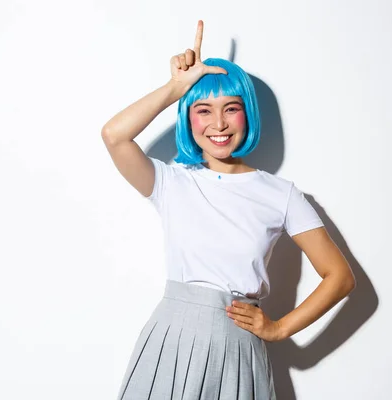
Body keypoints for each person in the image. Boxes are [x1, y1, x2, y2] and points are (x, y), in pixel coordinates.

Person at [102, 20, 356, 400]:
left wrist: (279, 329)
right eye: (203, 110)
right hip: (172, 338)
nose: (217, 123)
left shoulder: (280, 195)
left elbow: (340, 277)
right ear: (188, 118)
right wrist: (176, 88)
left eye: (230, 108)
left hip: (237, 346)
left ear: (247, 114)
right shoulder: (172, 182)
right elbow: (114, 135)